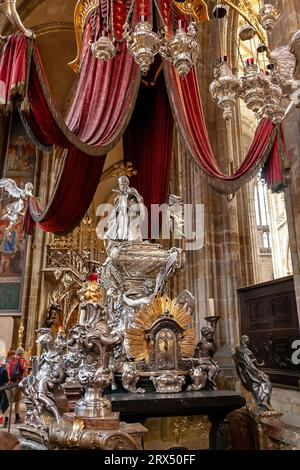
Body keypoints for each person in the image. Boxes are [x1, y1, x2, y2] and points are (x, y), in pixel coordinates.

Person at [103, 176, 145, 242]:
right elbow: (116, 206)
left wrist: (132, 196)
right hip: (121, 216)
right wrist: (117, 199)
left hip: (130, 216)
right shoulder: (120, 194)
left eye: (123, 183)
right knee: (114, 233)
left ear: (127, 183)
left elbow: (139, 200)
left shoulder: (132, 190)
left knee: (130, 233)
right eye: (120, 184)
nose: (122, 186)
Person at [7, 346, 28, 424]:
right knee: (17, 401)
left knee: (8, 401)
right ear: (22, 354)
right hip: (18, 383)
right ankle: (16, 418)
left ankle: (5, 418)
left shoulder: (11, 360)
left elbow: (8, 370)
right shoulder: (22, 361)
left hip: (10, 383)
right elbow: (24, 372)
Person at [0, 356, 9, 427]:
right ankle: (4, 422)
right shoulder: (4, 370)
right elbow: (7, 380)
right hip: (2, 390)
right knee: (4, 405)